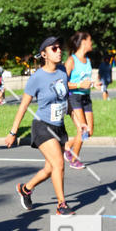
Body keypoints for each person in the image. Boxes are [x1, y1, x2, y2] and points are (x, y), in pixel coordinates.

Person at [5, 35, 74, 216]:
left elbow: (66, 99)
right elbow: (24, 105)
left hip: (59, 126)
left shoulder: (62, 72)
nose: (59, 51)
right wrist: (13, 132)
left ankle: (26, 188)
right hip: (42, 126)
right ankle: (61, 205)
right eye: (54, 48)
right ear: (44, 54)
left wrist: (78, 121)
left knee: (50, 168)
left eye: (60, 47)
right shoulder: (37, 77)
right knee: (59, 163)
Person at [64, 31, 96, 170]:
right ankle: (74, 158)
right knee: (82, 130)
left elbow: (86, 81)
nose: (91, 43)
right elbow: (62, 83)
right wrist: (78, 85)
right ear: (83, 42)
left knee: (89, 131)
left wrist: (95, 84)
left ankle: (67, 147)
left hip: (86, 97)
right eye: (90, 40)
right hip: (74, 97)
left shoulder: (88, 60)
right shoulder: (71, 60)